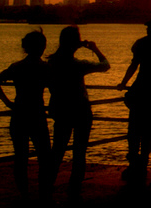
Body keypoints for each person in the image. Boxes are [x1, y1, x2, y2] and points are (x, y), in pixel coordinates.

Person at [47, 26, 109, 201]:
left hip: (60, 109)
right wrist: (95, 49)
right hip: (80, 109)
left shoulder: (52, 63)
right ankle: (75, 187)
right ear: (76, 42)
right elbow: (105, 66)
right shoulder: (78, 65)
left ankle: (48, 183)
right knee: (80, 151)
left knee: (57, 149)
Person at [0, 29, 51, 202]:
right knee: (44, 156)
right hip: (37, 113)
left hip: (19, 113)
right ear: (42, 47)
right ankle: (43, 193)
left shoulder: (17, 67)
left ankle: (24, 193)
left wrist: (8, 103)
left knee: (21, 157)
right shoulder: (45, 68)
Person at [117, 18, 151, 182]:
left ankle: (135, 163)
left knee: (134, 129)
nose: (147, 31)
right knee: (146, 130)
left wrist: (124, 83)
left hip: (142, 90)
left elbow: (134, 65)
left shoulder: (142, 44)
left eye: (149, 29)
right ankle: (141, 163)